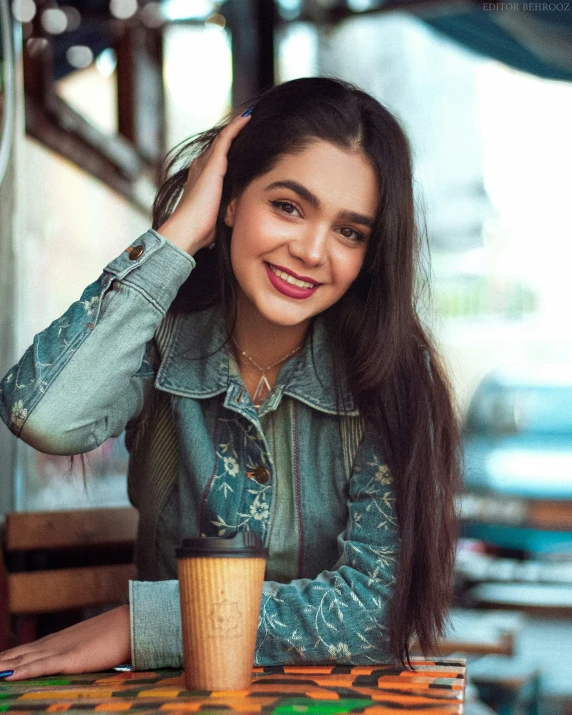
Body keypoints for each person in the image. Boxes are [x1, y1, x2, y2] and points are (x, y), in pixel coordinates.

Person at [0, 77, 460, 680]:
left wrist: (140, 626)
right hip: (178, 698)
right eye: (288, 206)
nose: (313, 250)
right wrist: (181, 231)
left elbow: (373, 612)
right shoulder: (161, 341)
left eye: (350, 231)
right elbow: (44, 415)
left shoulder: (391, 378)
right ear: (232, 199)